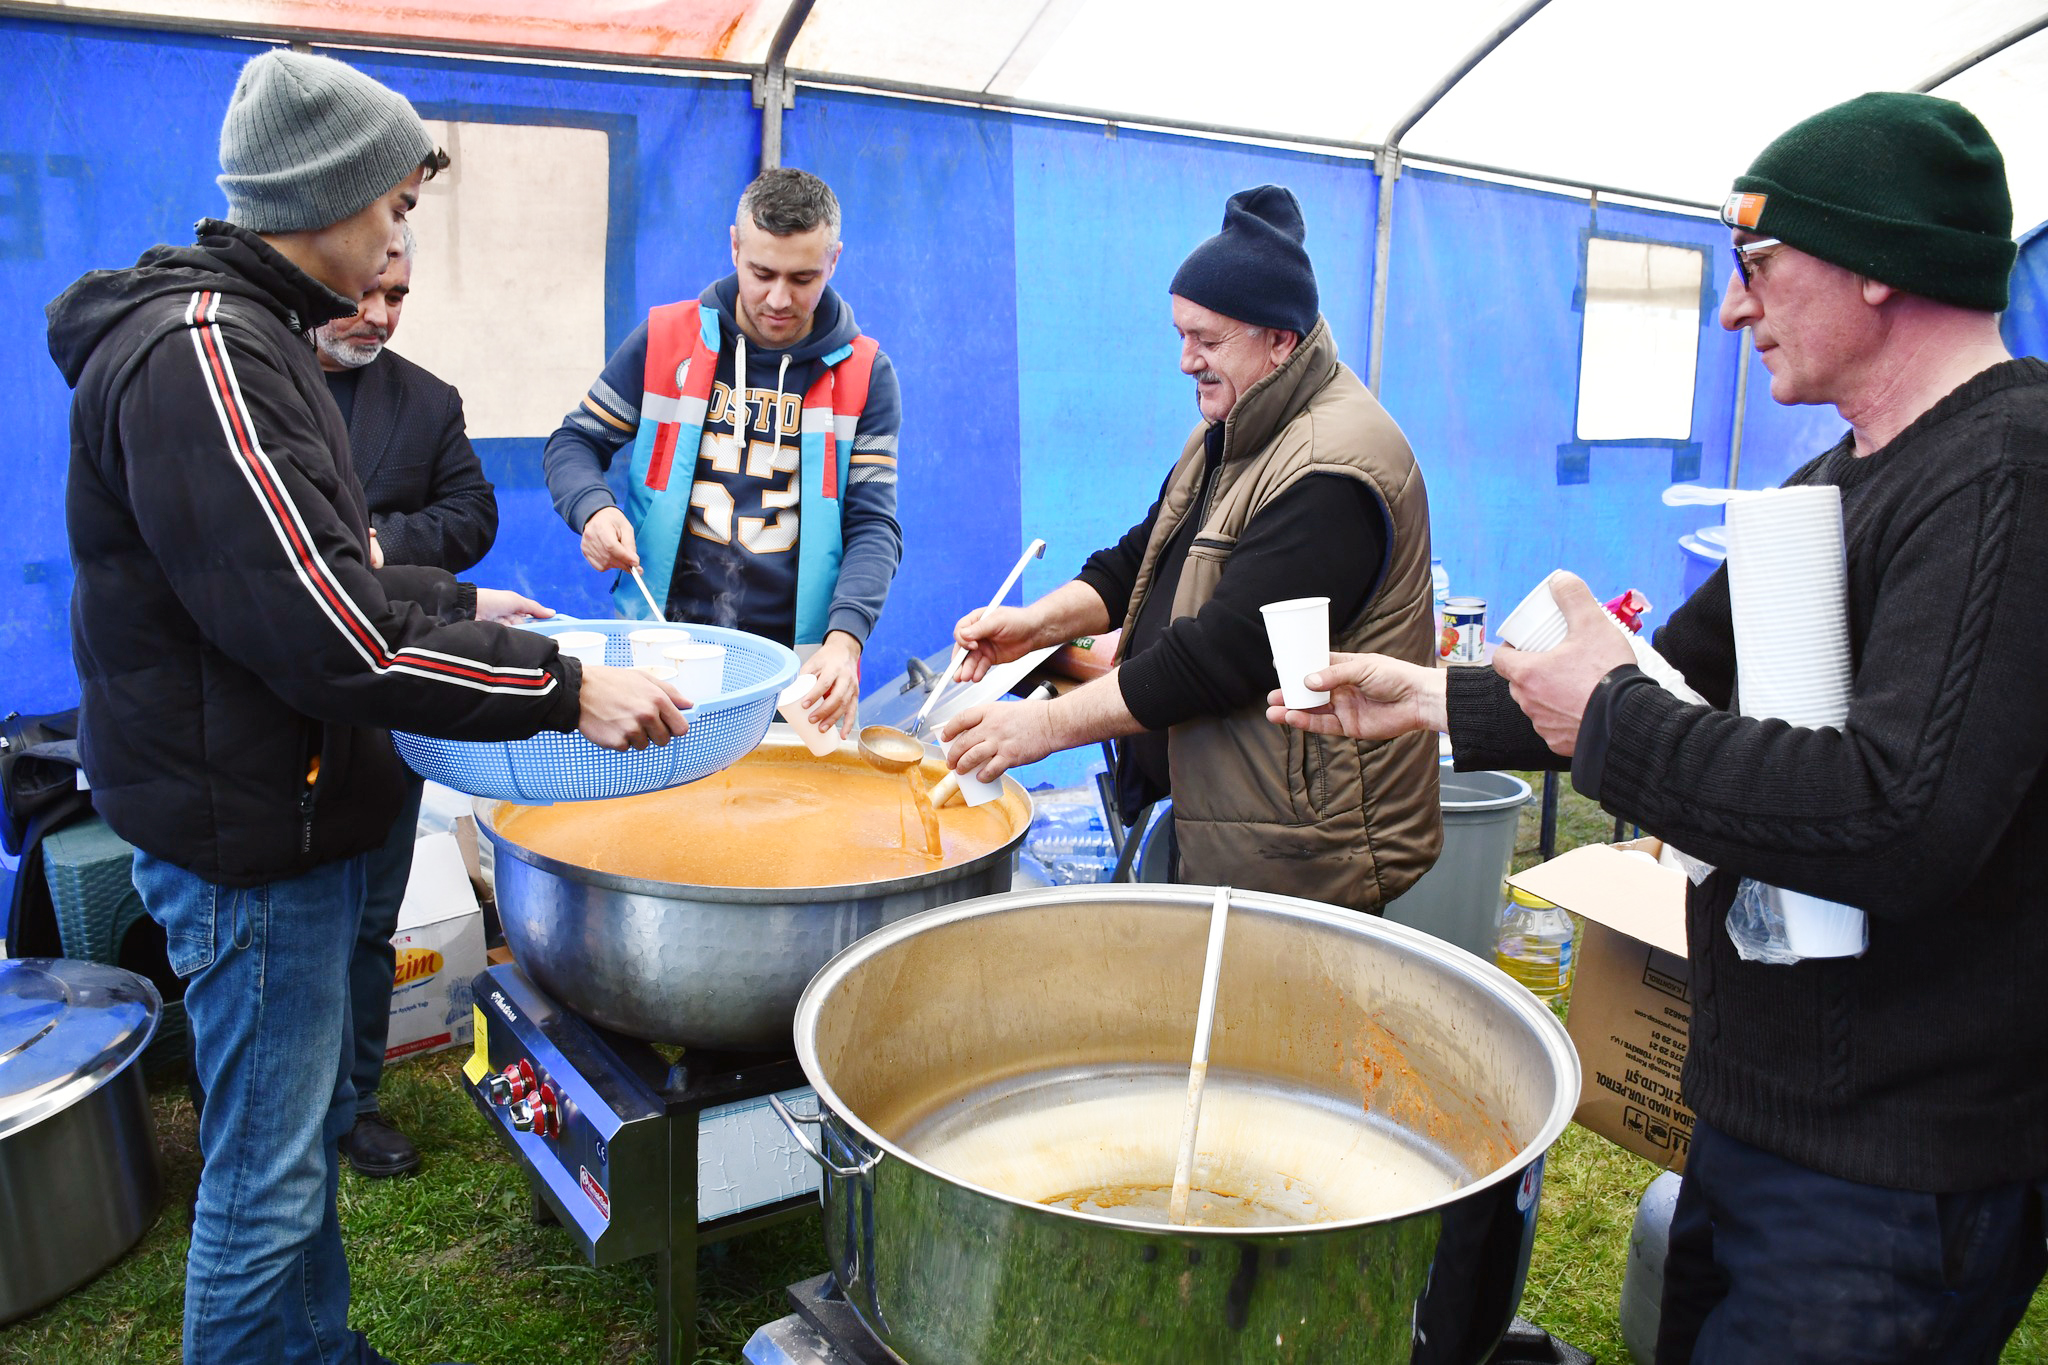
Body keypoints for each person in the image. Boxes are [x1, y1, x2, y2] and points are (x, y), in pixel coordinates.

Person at [1271, 93, 2048, 1363]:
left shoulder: (2007, 475)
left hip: (1894, 1169)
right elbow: (1666, 676)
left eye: (1755, 270)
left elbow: (1899, 815)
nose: (1732, 309)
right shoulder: (1842, 472)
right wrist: (1426, 699)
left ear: (1871, 269)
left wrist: (1608, 717)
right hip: (1761, 1106)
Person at [47, 49, 686, 1363]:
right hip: (249, 831)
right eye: (396, 205)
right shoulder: (209, 354)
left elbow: (331, 582)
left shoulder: (258, 340)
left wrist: (462, 611)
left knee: (286, 1160)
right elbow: (326, 636)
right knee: (265, 1183)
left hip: (288, 802)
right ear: (325, 195)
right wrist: (567, 688)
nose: (403, 233)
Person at [940, 185, 1441, 910]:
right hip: (1223, 811)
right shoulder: (1237, 421)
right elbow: (1142, 555)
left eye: (1207, 339)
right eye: (1180, 334)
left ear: (1280, 338)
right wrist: (1036, 626)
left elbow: (1217, 657)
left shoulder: (1335, 469)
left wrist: (1041, 726)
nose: (1184, 360)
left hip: (1302, 841)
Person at [543, 167, 902, 735]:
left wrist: (845, 640)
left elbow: (874, 526)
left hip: (799, 673)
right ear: (734, 247)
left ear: (835, 260)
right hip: (661, 653)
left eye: (803, 277)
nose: (779, 299)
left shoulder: (866, 374)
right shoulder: (666, 339)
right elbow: (574, 441)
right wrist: (595, 508)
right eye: (761, 273)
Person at [313, 224, 498, 1178]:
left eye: (399, 300)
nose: (381, 316)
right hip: (281, 714)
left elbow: (472, 515)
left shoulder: (426, 402)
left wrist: (380, 548)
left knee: (370, 917)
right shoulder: (252, 383)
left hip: (384, 716)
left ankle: (354, 1102)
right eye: (368, 293)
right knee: (291, 927)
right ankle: (279, 1110)